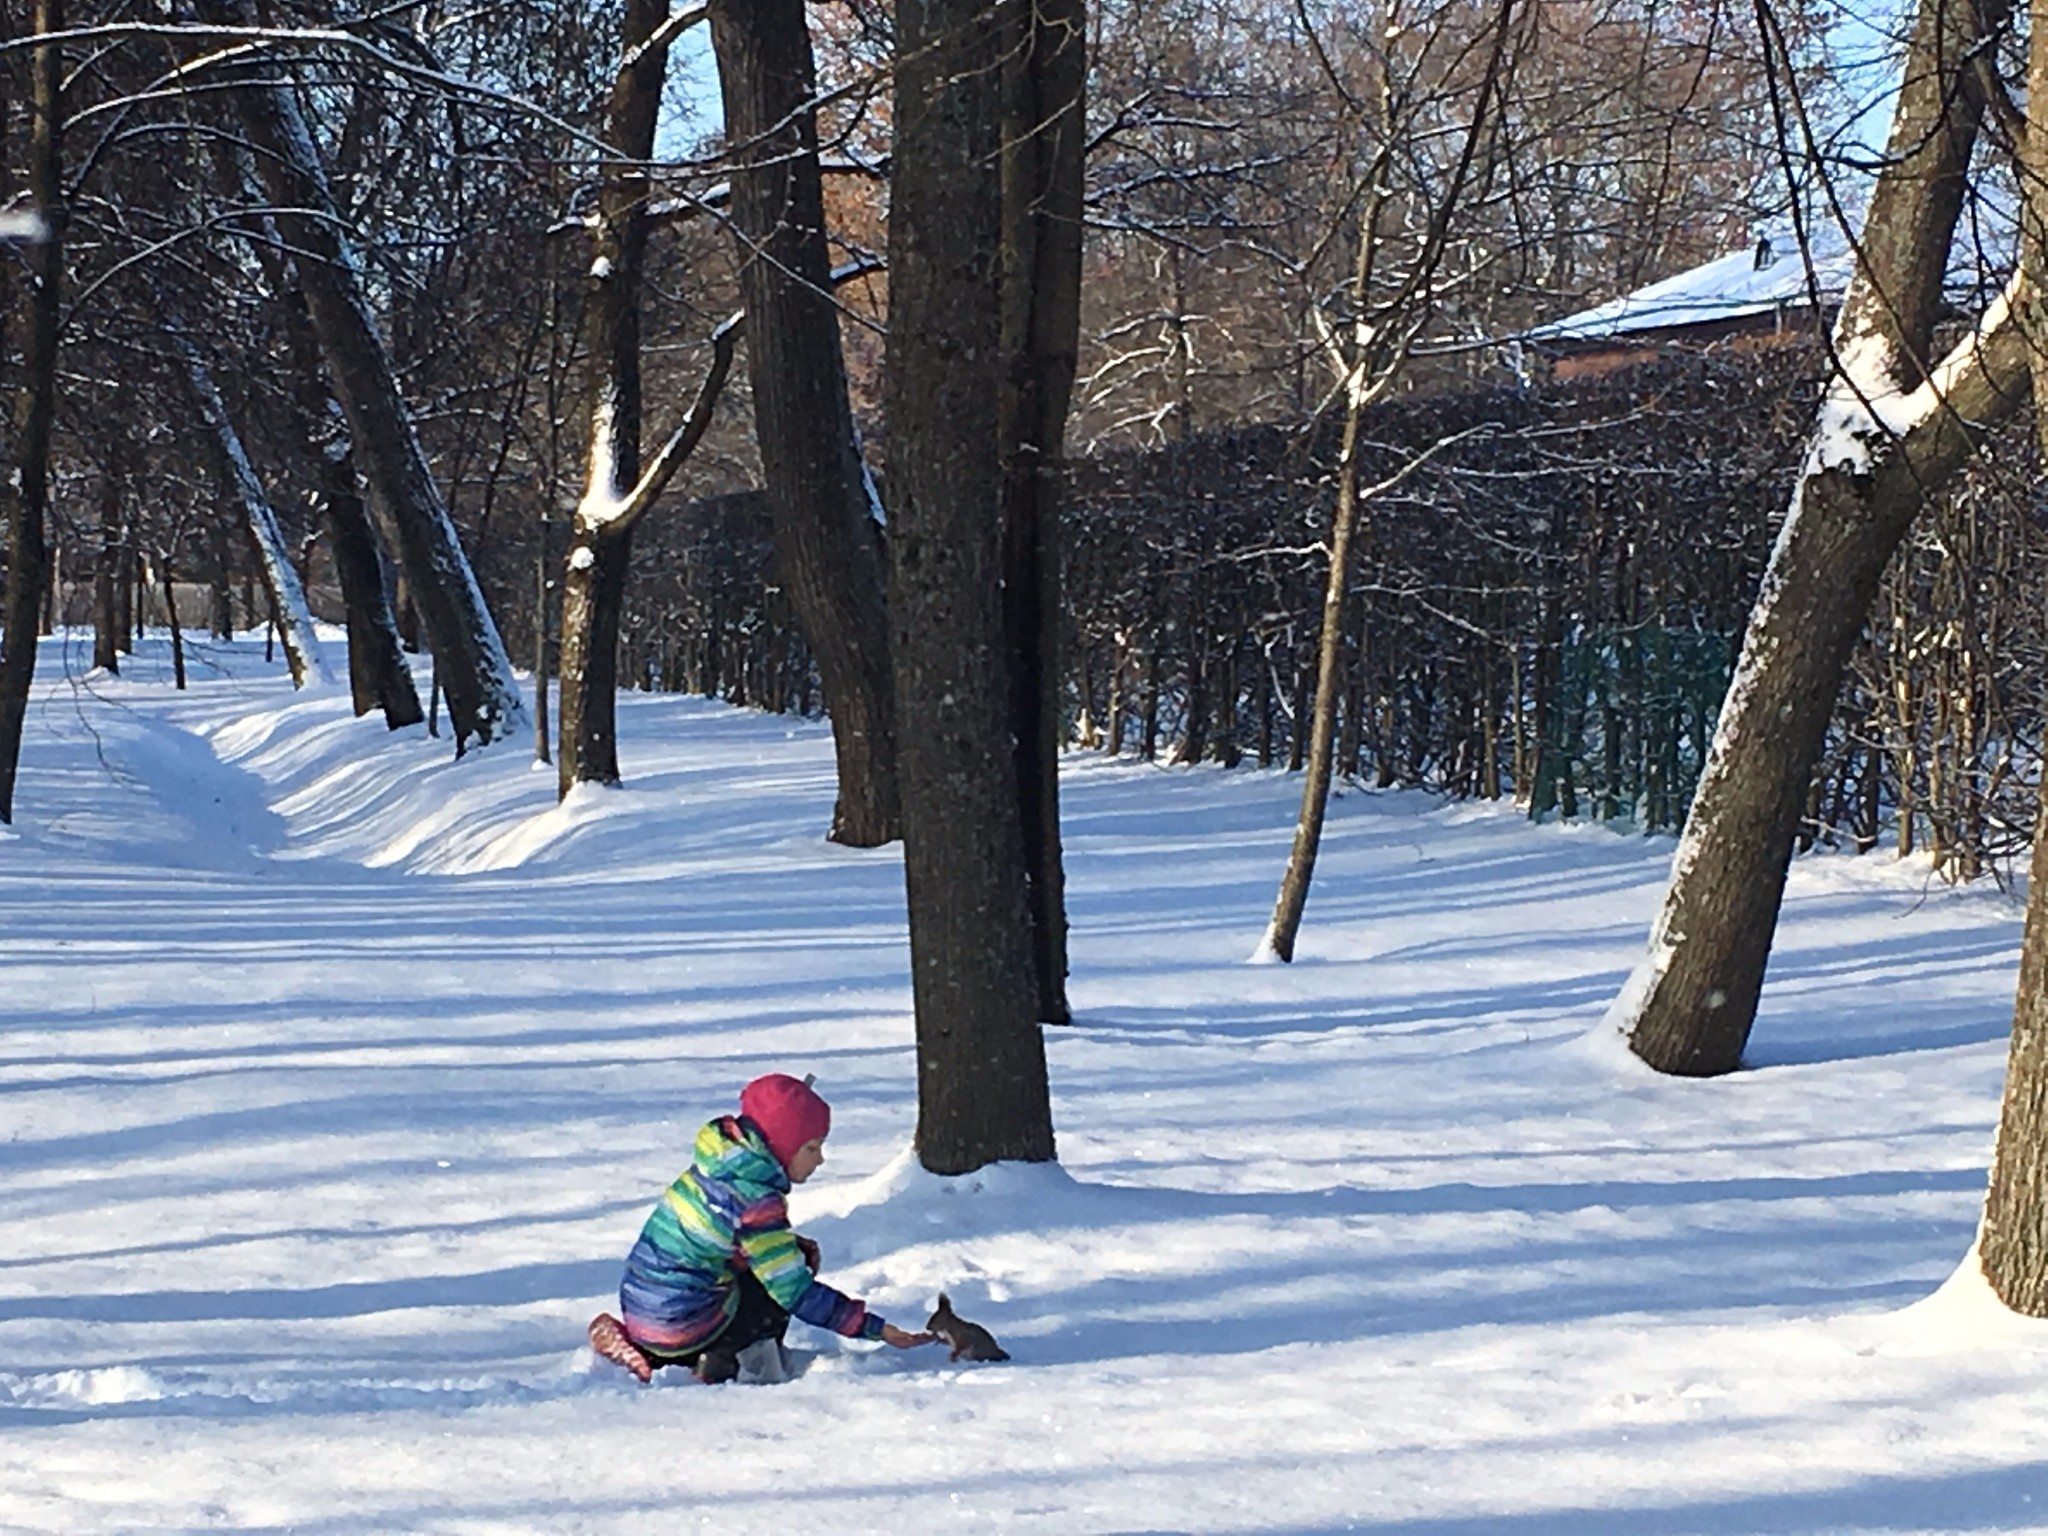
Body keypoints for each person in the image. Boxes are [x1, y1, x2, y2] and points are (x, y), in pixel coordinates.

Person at [587, 1072, 933, 1383]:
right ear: (782, 1147)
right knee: (791, 1265)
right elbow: (793, 1291)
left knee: (780, 1255)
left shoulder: (716, 1169)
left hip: (646, 1312)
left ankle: (654, 1350)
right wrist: (874, 1328)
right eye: (811, 1147)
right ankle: (729, 1362)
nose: (820, 1159)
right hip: (685, 1328)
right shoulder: (756, 1201)